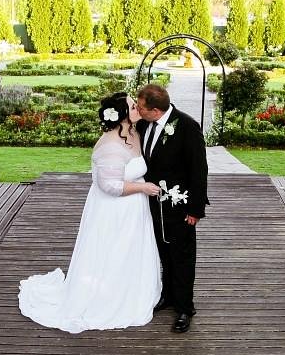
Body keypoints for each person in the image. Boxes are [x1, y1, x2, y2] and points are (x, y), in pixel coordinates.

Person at [18, 92, 163, 333]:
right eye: (132, 106)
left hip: (132, 211)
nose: (138, 107)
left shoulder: (134, 132)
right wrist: (143, 187)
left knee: (128, 251)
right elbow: (111, 186)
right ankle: (107, 299)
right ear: (120, 115)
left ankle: (131, 290)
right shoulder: (110, 145)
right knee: (112, 251)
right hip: (114, 210)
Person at [135, 84, 209, 333]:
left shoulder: (187, 126)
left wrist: (195, 210)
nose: (137, 109)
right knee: (161, 254)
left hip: (179, 208)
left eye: (140, 106)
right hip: (150, 206)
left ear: (155, 110)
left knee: (182, 257)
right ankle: (166, 296)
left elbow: (199, 170)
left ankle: (185, 308)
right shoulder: (143, 125)